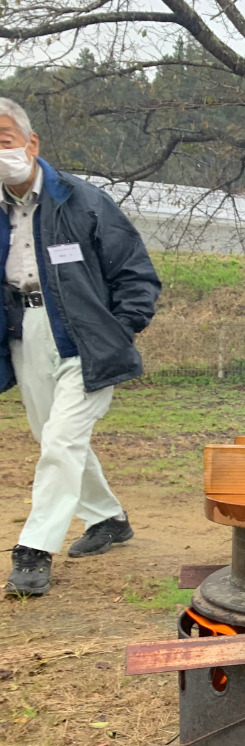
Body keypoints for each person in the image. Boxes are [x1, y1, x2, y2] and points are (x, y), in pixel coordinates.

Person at [0, 98, 160, 596]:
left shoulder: (82, 200)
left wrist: (120, 329)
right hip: (26, 331)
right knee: (55, 438)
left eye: (3, 140)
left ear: (31, 143)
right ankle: (109, 518)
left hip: (87, 337)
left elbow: (135, 272)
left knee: (63, 440)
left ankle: (34, 548)